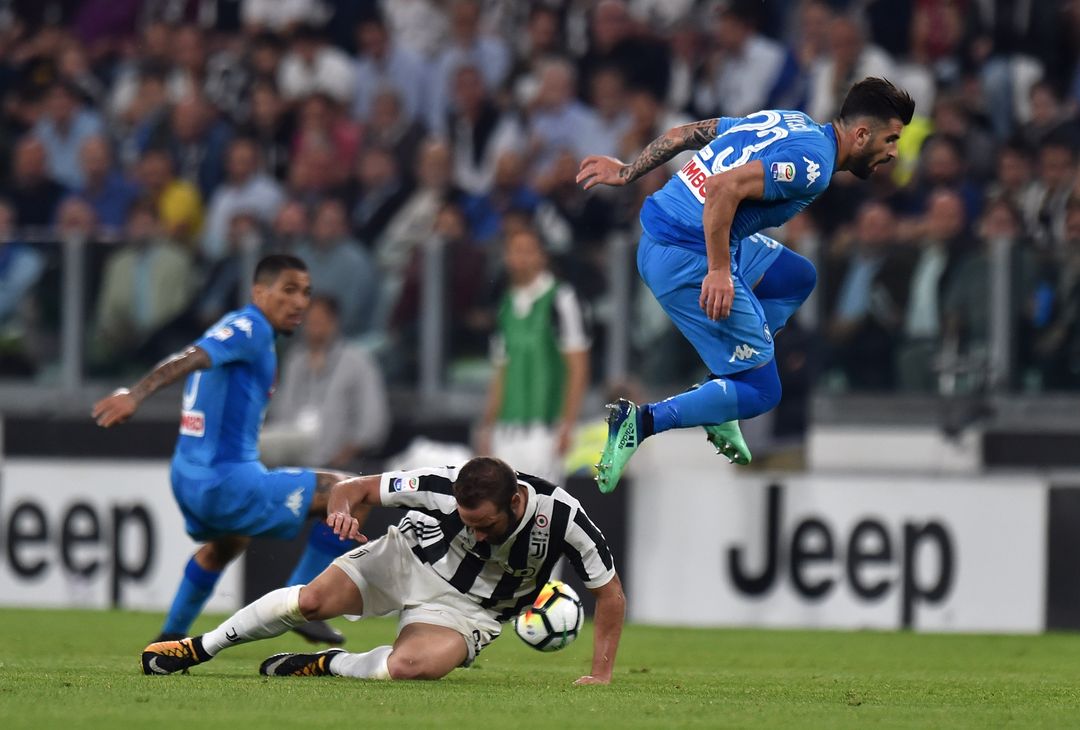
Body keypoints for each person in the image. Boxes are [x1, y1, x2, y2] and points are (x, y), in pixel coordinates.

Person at [576, 77, 914, 492]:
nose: (894, 152)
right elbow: (723, 188)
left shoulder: (790, 120)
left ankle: (724, 388)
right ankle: (641, 422)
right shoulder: (814, 166)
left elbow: (685, 135)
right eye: (891, 139)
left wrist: (628, 171)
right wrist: (719, 271)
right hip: (686, 254)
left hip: (672, 231)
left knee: (795, 276)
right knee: (763, 391)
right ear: (861, 134)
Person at [141, 456, 625, 685]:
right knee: (309, 601)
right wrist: (341, 511)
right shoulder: (442, 484)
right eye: (468, 523)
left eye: (486, 524)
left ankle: (328, 665)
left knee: (414, 668)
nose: (476, 534)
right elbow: (355, 488)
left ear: (516, 501)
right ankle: (200, 647)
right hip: (409, 557)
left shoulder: (563, 517)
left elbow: (609, 593)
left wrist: (600, 674)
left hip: (473, 608)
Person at [92, 255, 356, 646]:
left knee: (228, 542)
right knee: (349, 491)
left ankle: (171, 635)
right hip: (226, 480)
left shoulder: (232, 326)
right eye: (289, 290)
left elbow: (195, 353)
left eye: (306, 293)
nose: (300, 302)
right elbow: (190, 358)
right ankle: (301, 606)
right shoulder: (251, 329)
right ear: (259, 292)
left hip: (188, 478)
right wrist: (135, 394)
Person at [476, 228, 590, 485]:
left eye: (528, 251)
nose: (521, 258)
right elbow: (501, 370)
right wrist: (488, 426)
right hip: (506, 430)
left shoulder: (561, 299)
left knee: (541, 512)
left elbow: (578, 366)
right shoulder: (505, 304)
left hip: (546, 429)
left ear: (542, 256)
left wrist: (567, 425)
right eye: (515, 251)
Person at [261, 294, 391, 470]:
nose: (315, 328)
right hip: (293, 461)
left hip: (339, 463)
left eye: (320, 321)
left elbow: (373, 422)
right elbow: (281, 412)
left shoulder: (358, 362)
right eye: (310, 322)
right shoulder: (295, 360)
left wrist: (348, 453)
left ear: (334, 322)